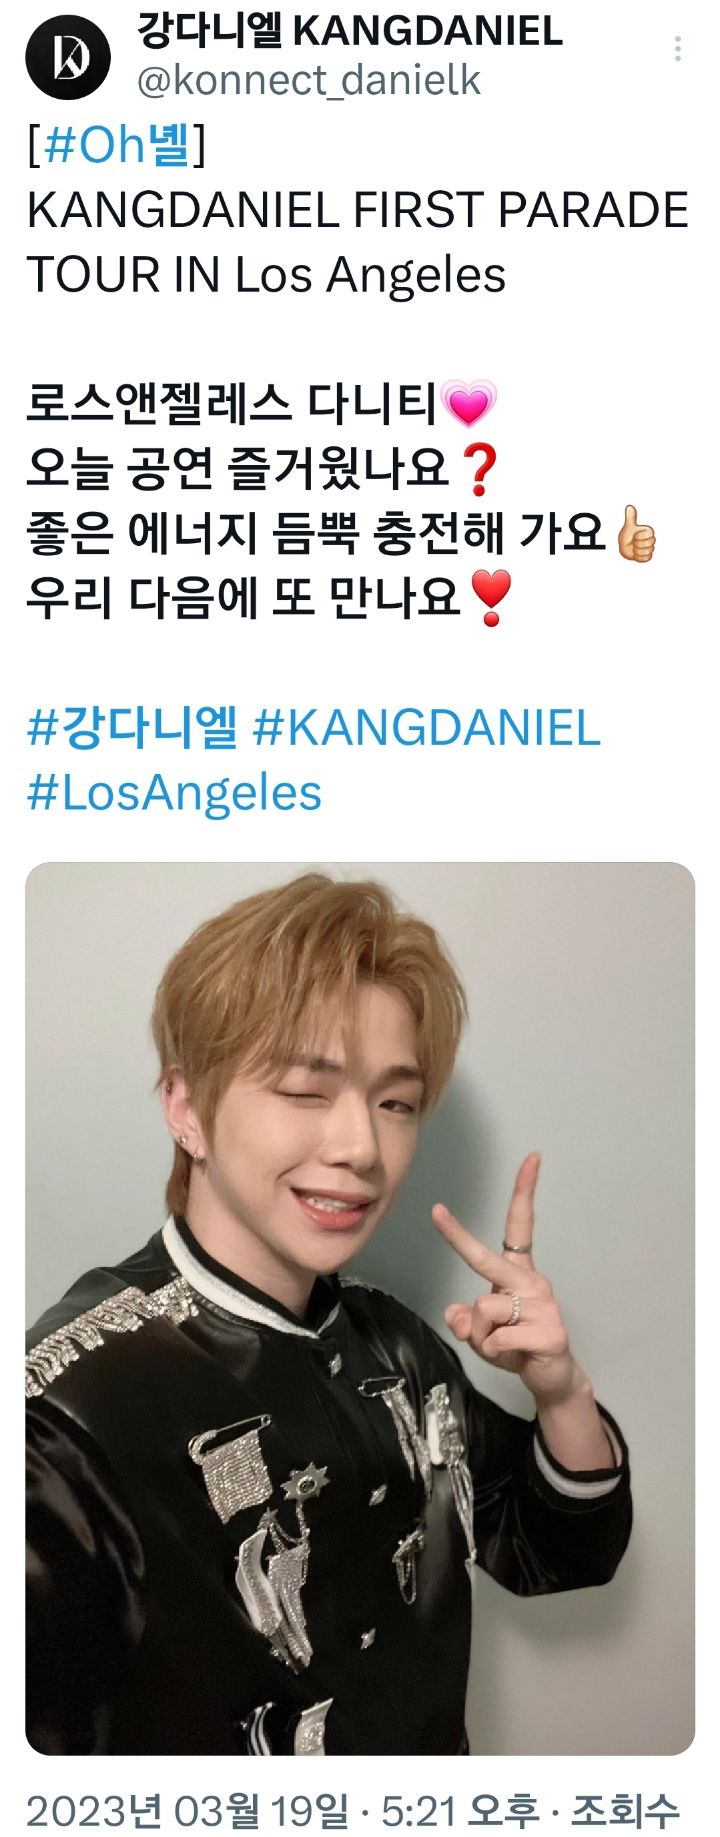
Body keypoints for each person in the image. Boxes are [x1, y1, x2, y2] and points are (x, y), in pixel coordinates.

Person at [26, 874, 631, 1756]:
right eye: (306, 1090)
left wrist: (561, 1390)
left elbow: (557, 1550)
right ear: (187, 1107)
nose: (361, 1147)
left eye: (395, 1102)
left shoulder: (398, 1344)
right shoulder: (65, 1415)